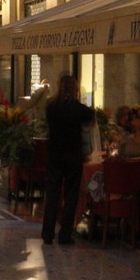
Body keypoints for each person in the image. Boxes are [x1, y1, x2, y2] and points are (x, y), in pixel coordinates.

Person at [41, 71, 86, 245]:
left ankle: (47, 233)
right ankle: (65, 234)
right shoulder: (79, 109)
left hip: (54, 155)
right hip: (73, 155)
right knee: (71, 195)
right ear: (75, 89)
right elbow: (89, 119)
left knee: (52, 194)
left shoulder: (51, 106)